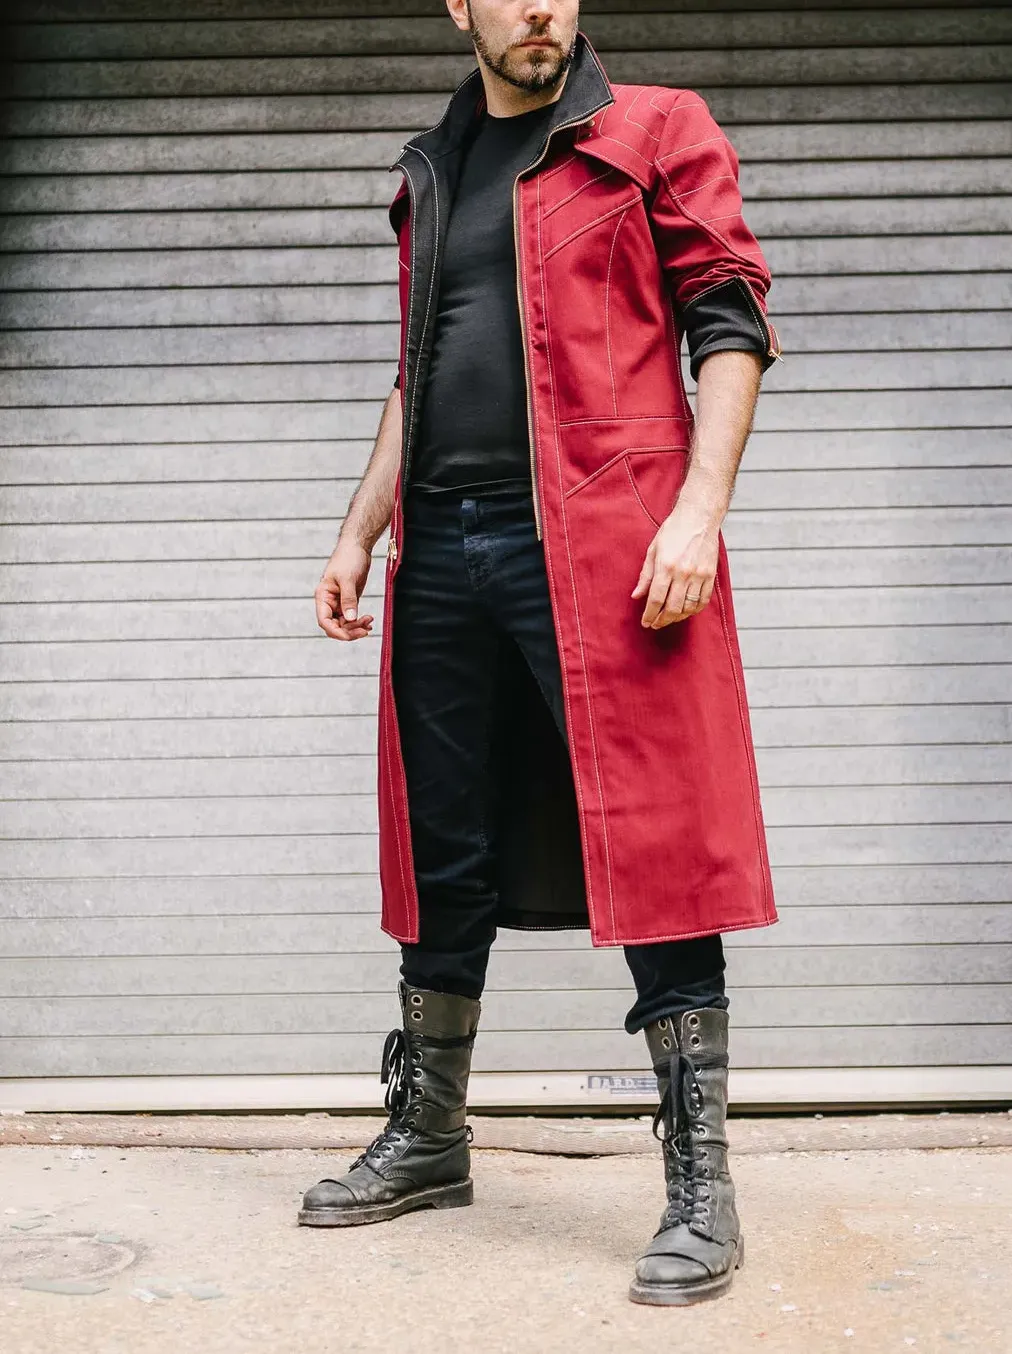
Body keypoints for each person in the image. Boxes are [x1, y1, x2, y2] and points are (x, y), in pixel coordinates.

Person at [301, 0, 780, 1308]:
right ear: (460, 7)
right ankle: (431, 1137)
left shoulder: (654, 131)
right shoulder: (435, 167)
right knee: (443, 844)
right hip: (439, 545)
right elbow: (417, 373)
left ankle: (702, 1183)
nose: (539, 9)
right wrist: (358, 532)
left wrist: (698, 510)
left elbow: (730, 319)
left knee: (657, 840)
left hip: (603, 538)